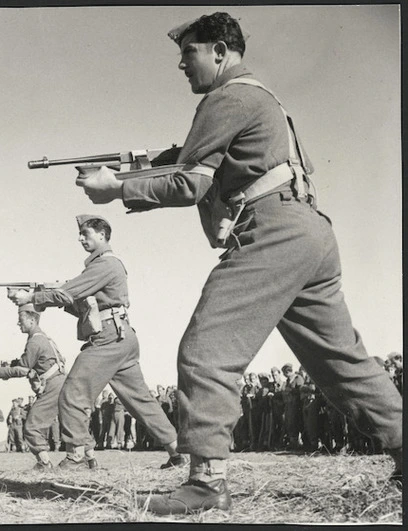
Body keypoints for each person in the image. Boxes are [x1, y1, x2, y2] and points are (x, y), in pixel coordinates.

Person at [74, 12, 403, 512]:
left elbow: (191, 181)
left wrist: (116, 187)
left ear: (220, 51)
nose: (182, 64)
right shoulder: (260, 98)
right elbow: (190, 159)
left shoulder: (227, 96)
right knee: (341, 362)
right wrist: (134, 169)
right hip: (309, 231)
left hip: (273, 232)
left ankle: (206, 483)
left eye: (189, 53)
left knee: (206, 348)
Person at [9, 215, 186, 470]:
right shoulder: (104, 266)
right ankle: (177, 452)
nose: (81, 239)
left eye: (86, 234)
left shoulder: (104, 265)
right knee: (140, 399)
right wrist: (45, 296)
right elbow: (80, 304)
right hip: (120, 336)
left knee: (72, 392)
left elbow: (66, 293)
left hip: (108, 338)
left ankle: (78, 456)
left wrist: (34, 297)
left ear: (102, 235)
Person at [0, 303, 68, 470]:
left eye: (21, 320)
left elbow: (23, 369)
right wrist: (11, 364)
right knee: (72, 422)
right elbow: (31, 363)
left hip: (52, 386)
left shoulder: (34, 342)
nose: (18, 323)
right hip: (61, 383)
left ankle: (44, 463)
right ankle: (89, 459)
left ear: (32, 320)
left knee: (31, 426)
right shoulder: (44, 338)